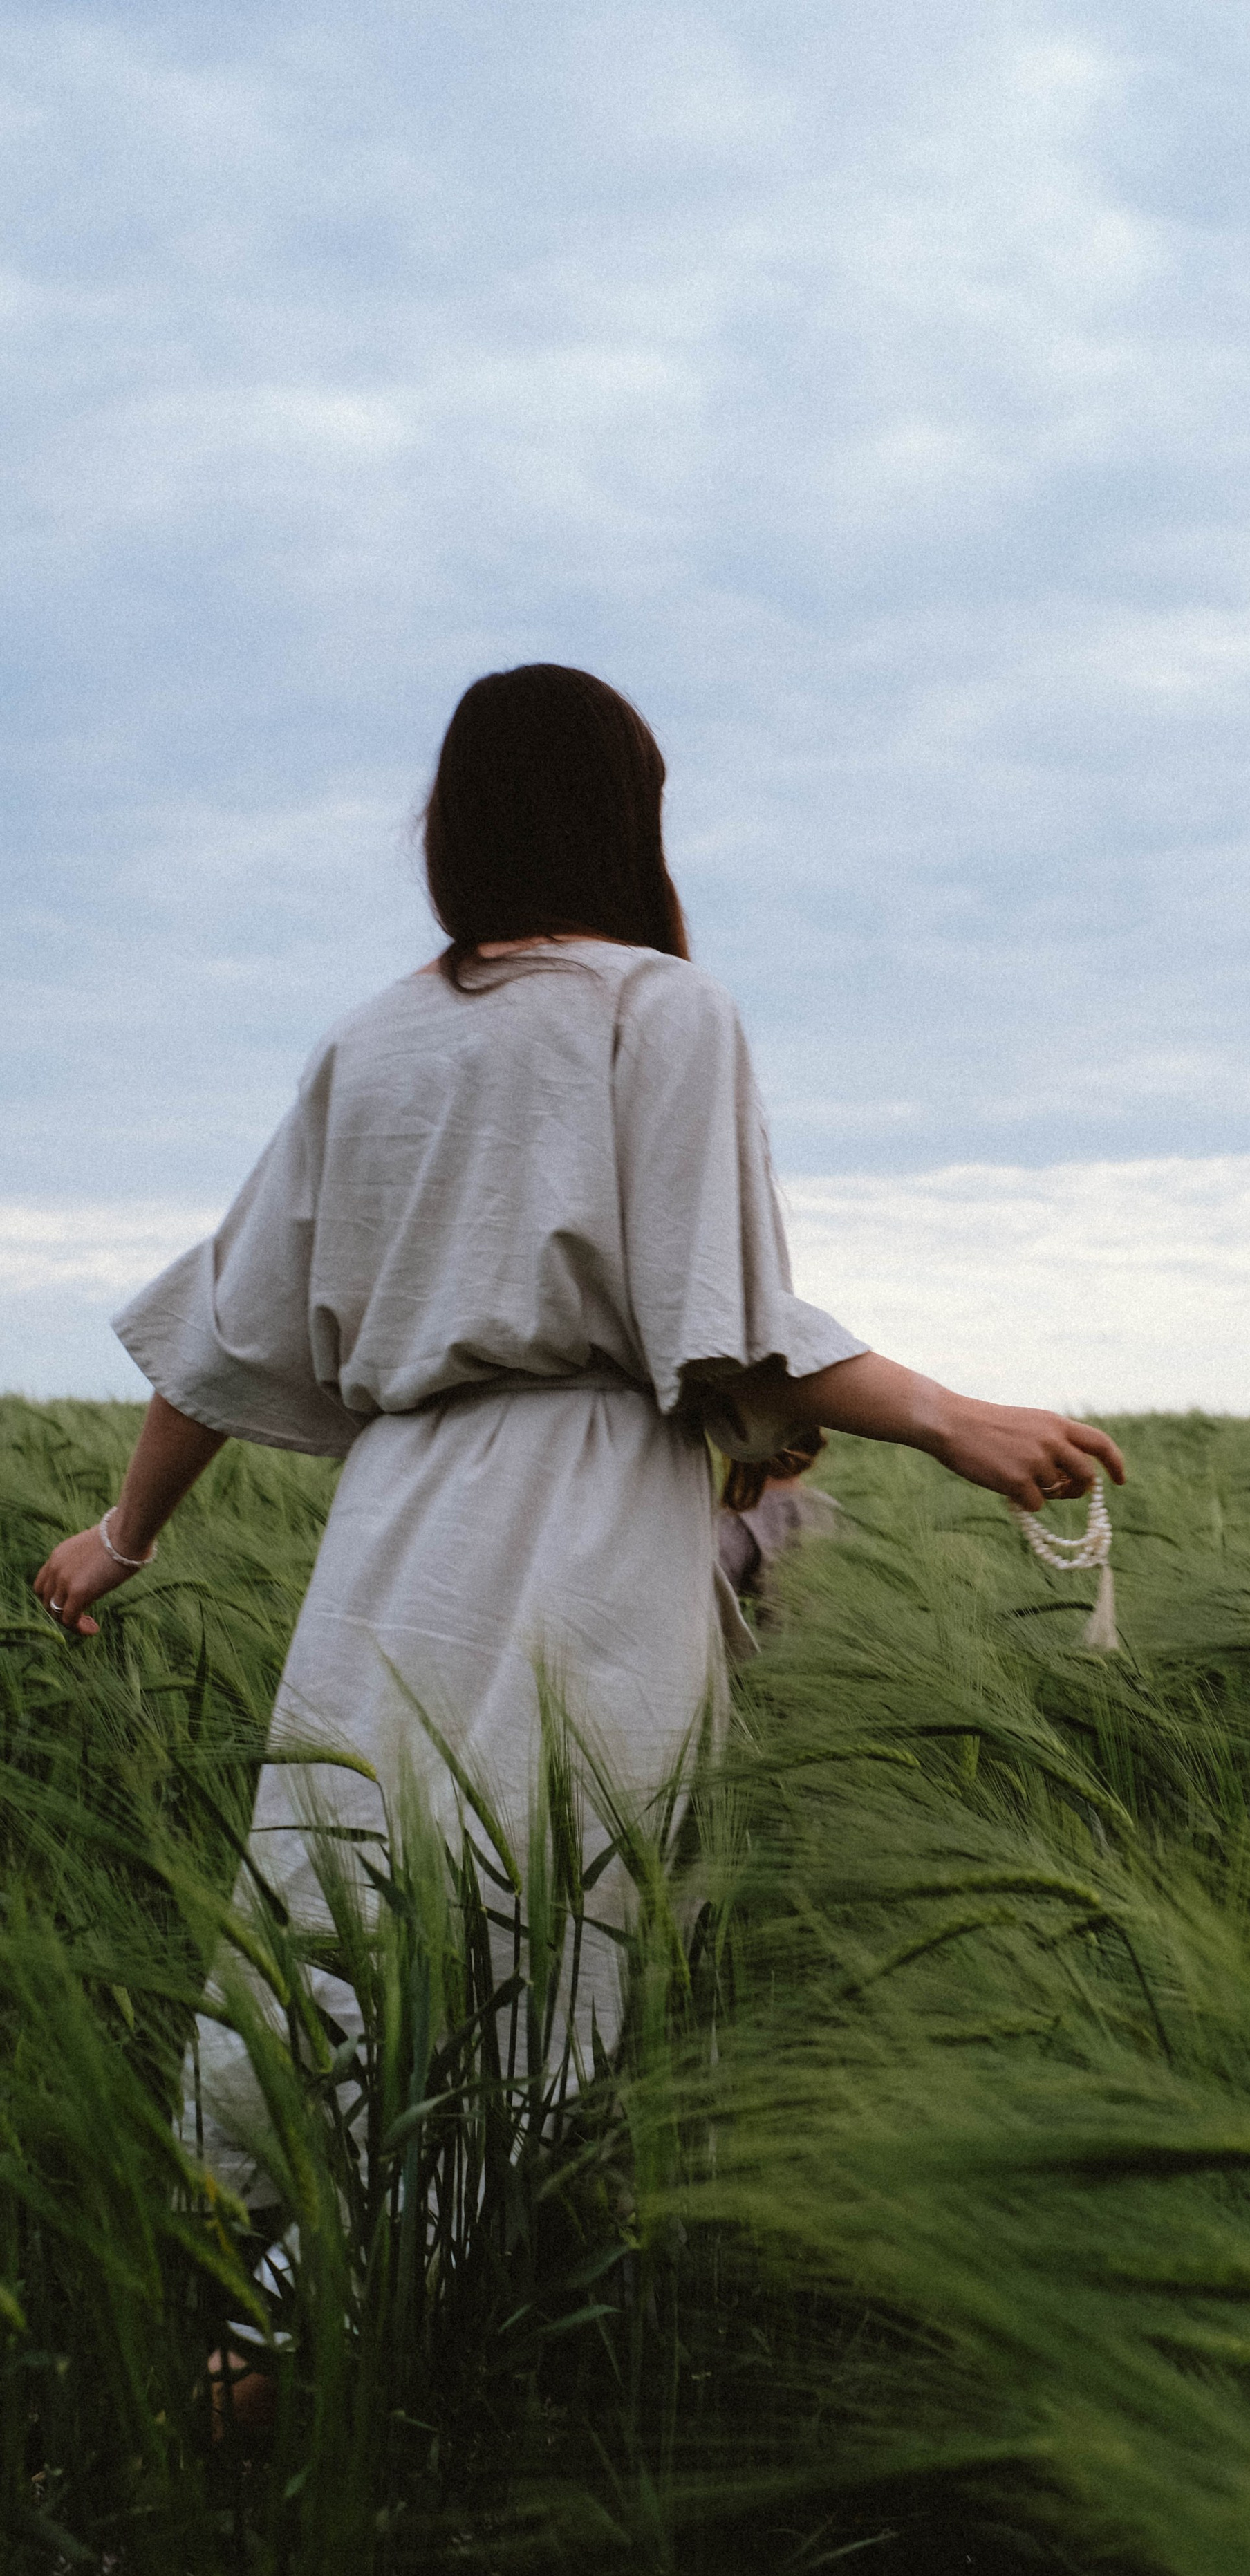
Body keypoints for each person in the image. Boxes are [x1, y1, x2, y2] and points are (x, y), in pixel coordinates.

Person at [31, 663, 1125, 2187]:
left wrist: (124, 1534)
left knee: (343, 1890)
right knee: (556, 1923)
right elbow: (723, 1323)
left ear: (456, 823)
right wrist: (949, 1419)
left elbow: (227, 1328)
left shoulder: (371, 1039)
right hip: (589, 1518)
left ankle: (269, 2258)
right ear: (627, 818)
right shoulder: (663, 1009)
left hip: (393, 1532)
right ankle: (451, 2276)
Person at [717, 1432, 842, 1623]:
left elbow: (710, 1606)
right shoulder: (831, 1509)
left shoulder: (735, 1523)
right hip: (829, 1635)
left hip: (762, 1641)